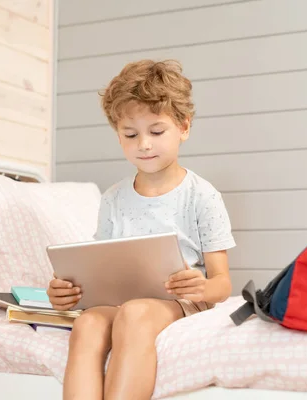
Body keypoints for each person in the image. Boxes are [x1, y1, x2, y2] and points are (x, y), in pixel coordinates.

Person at [46, 59, 236, 400]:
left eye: (156, 131)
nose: (144, 144)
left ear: (184, 127)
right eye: (130, 135)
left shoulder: (202, 196)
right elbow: (100, 268)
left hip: (181, 302)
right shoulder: (114, 198)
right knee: (87, 323)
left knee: (135, 314)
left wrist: (202, 287)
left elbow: (222, 284)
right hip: (121, 300)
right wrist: (69, 291)